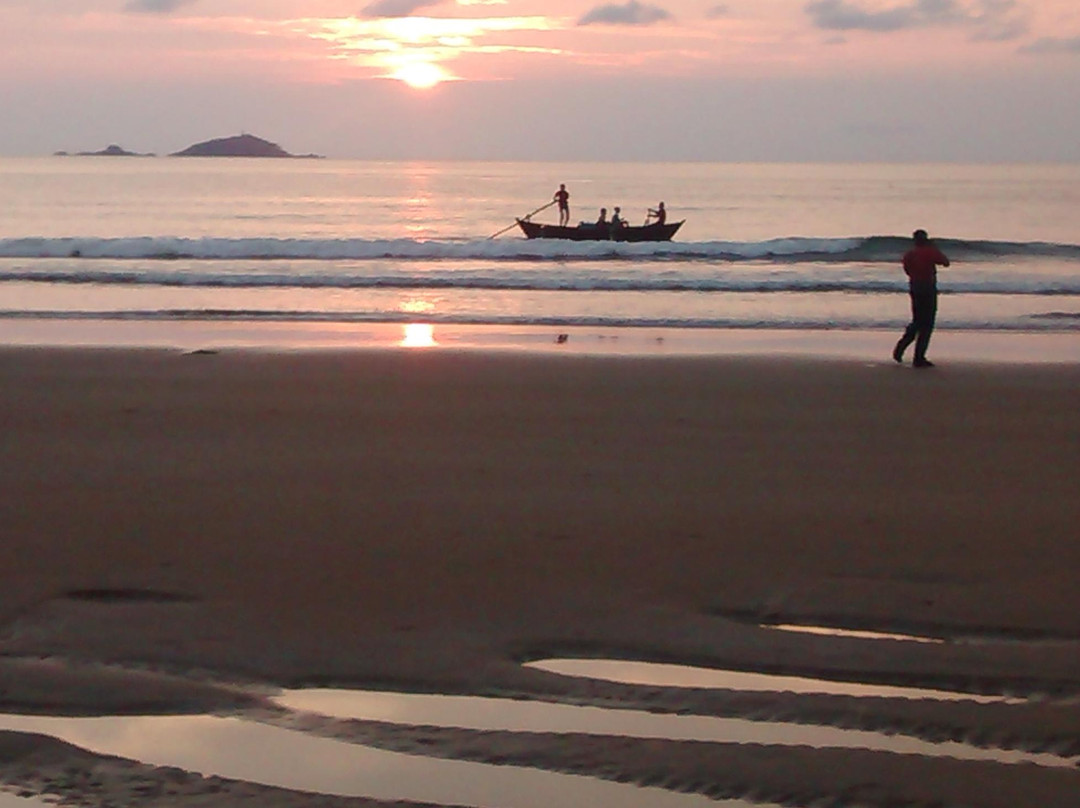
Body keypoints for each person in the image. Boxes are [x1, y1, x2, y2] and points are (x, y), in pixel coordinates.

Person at [893, 229, 950, 368]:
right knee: (927, 323)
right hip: (928, 287)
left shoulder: (909, 254)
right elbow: (945, 262)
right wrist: (934, 248)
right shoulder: (930, 251)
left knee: (917, 320)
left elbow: (907, 271)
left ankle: (902, 345)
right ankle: (919, 357)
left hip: (915, 287)